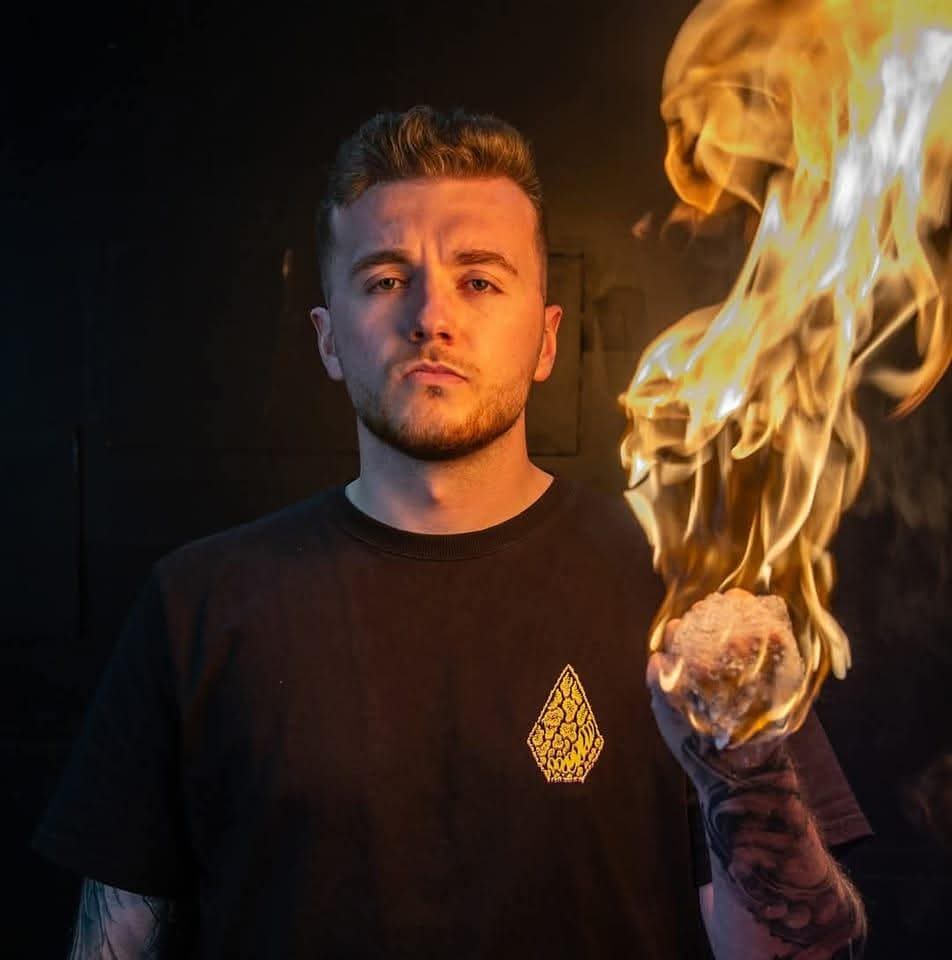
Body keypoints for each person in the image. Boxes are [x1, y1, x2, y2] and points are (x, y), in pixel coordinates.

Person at [33, 105, 871, 958]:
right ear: (328, 340)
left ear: (546, 339)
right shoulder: (198, 605)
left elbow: (800, 953)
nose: (431, 316)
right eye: (386, 279)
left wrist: (748, 772)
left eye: (480, 280)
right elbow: (116, 943)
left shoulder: (689, 595)